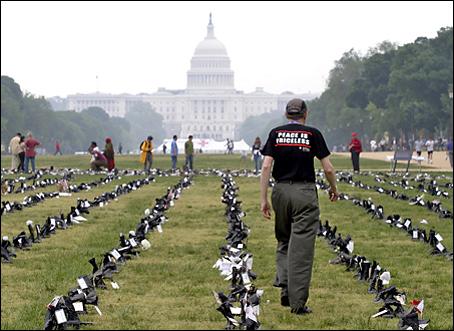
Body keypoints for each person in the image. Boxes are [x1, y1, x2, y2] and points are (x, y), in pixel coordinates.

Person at [260, 98, 338, 316]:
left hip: (281, 191)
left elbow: (266, 165)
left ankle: (285, 286)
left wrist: (263, 198)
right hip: (304, 192)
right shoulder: (312, 134)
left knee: (283, 240)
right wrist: (334, 188)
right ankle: (297, 303)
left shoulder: (276, 133)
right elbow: (328, 169)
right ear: (306, 114)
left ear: (286, 114)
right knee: (301, 248)